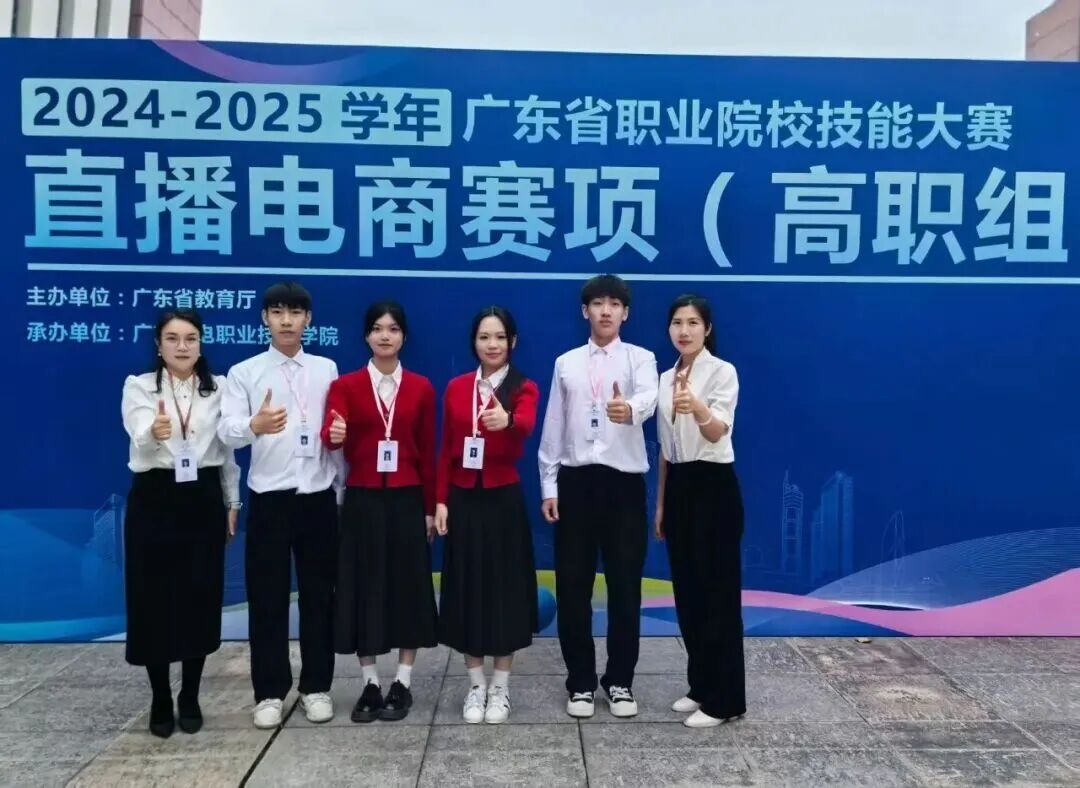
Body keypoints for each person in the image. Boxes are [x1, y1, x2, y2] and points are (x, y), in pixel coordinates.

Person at [218, 282, 341, 729]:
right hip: (270, 499)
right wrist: (255, 424)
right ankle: (269, 691)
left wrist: (340, 485)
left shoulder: (327, 369)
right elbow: (227, 432)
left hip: (318, 499)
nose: (286, 320)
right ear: (264, 319)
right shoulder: (245, 372)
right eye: (277, 312)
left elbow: (334, 432)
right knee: (267, 598)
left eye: (295, 312)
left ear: (309, 319)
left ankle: (317, 687)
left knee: (319, 598)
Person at [537, 274, 659, 719]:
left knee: (626, 589)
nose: (606, 311)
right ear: (584, 311)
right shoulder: (566, 363)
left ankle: (620, 681)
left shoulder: (640, 359)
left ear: (626, 313)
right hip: (575, 484)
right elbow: (553, 425)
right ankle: (581, 683)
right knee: (573, 589)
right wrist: (549, 485)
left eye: (614, 304)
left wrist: (631, 409)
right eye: (598, 303)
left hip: (623, 486)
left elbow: (650, 396)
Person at [121, 309, 240, 738]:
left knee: (199, 596)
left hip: (203, 497)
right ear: (159, 345)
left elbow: (226, 452)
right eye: (172, 339)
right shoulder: (139, 386)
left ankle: (190, 695)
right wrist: (153, 430)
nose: (182, 346)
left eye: (190, 338)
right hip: (155, 497)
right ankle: (159, 696)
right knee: (152, 599)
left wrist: (232, 500)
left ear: (201, 343)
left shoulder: (219, 388)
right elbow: (137, 430)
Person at [322, 301, 438, 723]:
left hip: (407, 499)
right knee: (362, 588)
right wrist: (334, 433)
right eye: (376, 328)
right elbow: (330, 437)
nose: (384, 336)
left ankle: (402, 681)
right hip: (364, 498)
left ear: (403, 336)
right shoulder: (346, 385)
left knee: (408, 588)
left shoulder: (421, 387)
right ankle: (370, 682)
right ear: (366, 336)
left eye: (392, 329)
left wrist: (430, 508)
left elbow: (427, 452)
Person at [435, 306, 540, 724]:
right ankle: (475, 684)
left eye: (499, 337)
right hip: (463, 498)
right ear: (474, 343)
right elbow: (447, 448)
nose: (492, 345)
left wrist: (507, 419)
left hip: (502, 500)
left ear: (512, 342)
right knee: (467, 589)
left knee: (504, 592)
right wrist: (440, 501)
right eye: (484, 337)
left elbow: (526, 423)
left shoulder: (523, 387)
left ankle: (501, 687)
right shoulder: (457, 387)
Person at [655, 294, 746, 728]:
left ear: (707, 329)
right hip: (679, 487)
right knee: (688, 594)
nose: (684, 331)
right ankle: (701, 686)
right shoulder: (664, 377)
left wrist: (697, 406)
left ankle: (726, 700)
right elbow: (665, 449)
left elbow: (717, 431)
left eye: (693, 323)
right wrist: (661, 504)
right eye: (677, 323)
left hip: (713, 486)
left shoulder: (722, 372)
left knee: (718, 597)